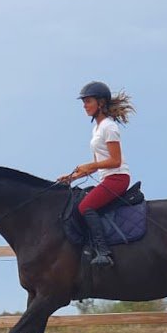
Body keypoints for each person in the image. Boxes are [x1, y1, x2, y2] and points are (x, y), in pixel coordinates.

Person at [58, 81, 135, 266]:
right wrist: (72, 177)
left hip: (118, 178)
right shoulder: (97, 129)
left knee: (85, 207)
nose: (85, 106)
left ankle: (103, 251)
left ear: (100, 103)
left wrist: (86, 166)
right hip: (107, 177)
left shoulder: (109, 127)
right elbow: (96, 165)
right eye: (84, 102)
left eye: (88, 101)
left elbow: (115, 161)